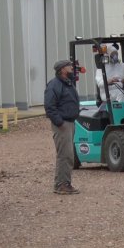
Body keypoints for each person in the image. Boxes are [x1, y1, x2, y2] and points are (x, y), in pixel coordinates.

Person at [44, 60, 80, 195]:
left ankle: (65, 183)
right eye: (69, 66)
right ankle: (61, 185)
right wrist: (60, 122)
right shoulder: (55, 85)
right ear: (62, 69)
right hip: (63, 124)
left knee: (68, 155)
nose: (72, 68)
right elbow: (49, 106)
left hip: (69, 123)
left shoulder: (67, 84)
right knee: (65, 155)